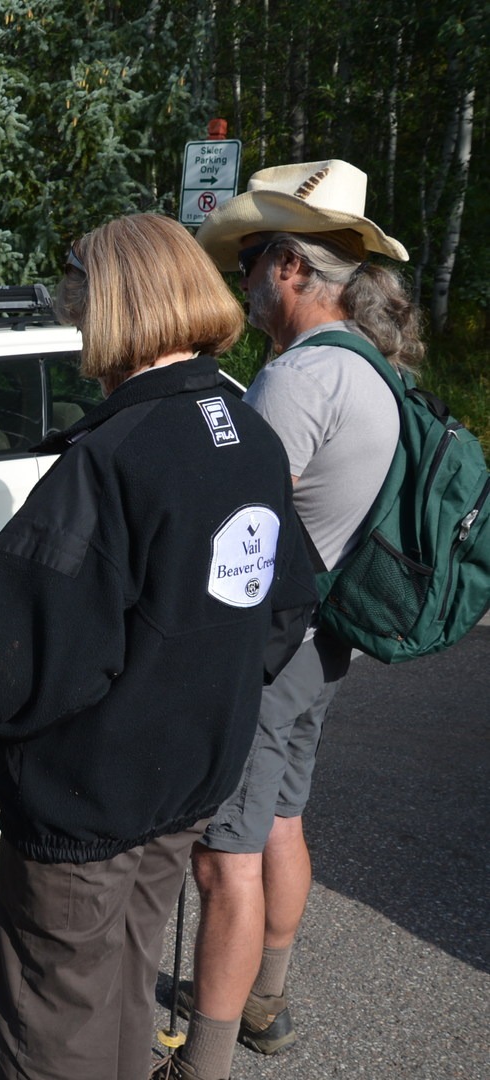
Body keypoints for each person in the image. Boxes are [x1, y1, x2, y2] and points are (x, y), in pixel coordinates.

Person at [0, 213, 317, 1080]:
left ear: (116, 303)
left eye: (76, 296)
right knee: (122, 995)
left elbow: (16, 674)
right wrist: (196, 689)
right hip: (185, 786)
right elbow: (287, 607)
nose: (72, 316)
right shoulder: (247, 435)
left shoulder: (110, 459)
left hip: (88, 804)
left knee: (60, 1031)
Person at [174, 160, 420, 1080]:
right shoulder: (373, 367)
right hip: (325, 639)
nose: (243, 286)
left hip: (268, 648)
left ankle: (203, 1058)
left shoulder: (301, 378)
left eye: (249, 267)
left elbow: (232, 521)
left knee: (221, 855)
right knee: (281, 821)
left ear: (288, 268)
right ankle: (265, 1001)